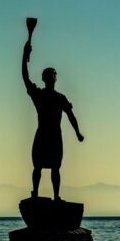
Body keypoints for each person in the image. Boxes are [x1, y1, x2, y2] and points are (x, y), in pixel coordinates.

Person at [22, 41, 84, 201]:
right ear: (44, 78)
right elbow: (25, 77)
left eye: (53, 74)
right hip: (42, 134)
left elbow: (71, 116)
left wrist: (78, 132)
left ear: (55, 78)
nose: (51, 77)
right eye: (48, 75)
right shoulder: (39, 95)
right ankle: (35, 193)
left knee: (56, 167)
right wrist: (24, 55)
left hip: (55, 136)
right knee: (38, 167)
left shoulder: (60, 98)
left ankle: (56, 196)